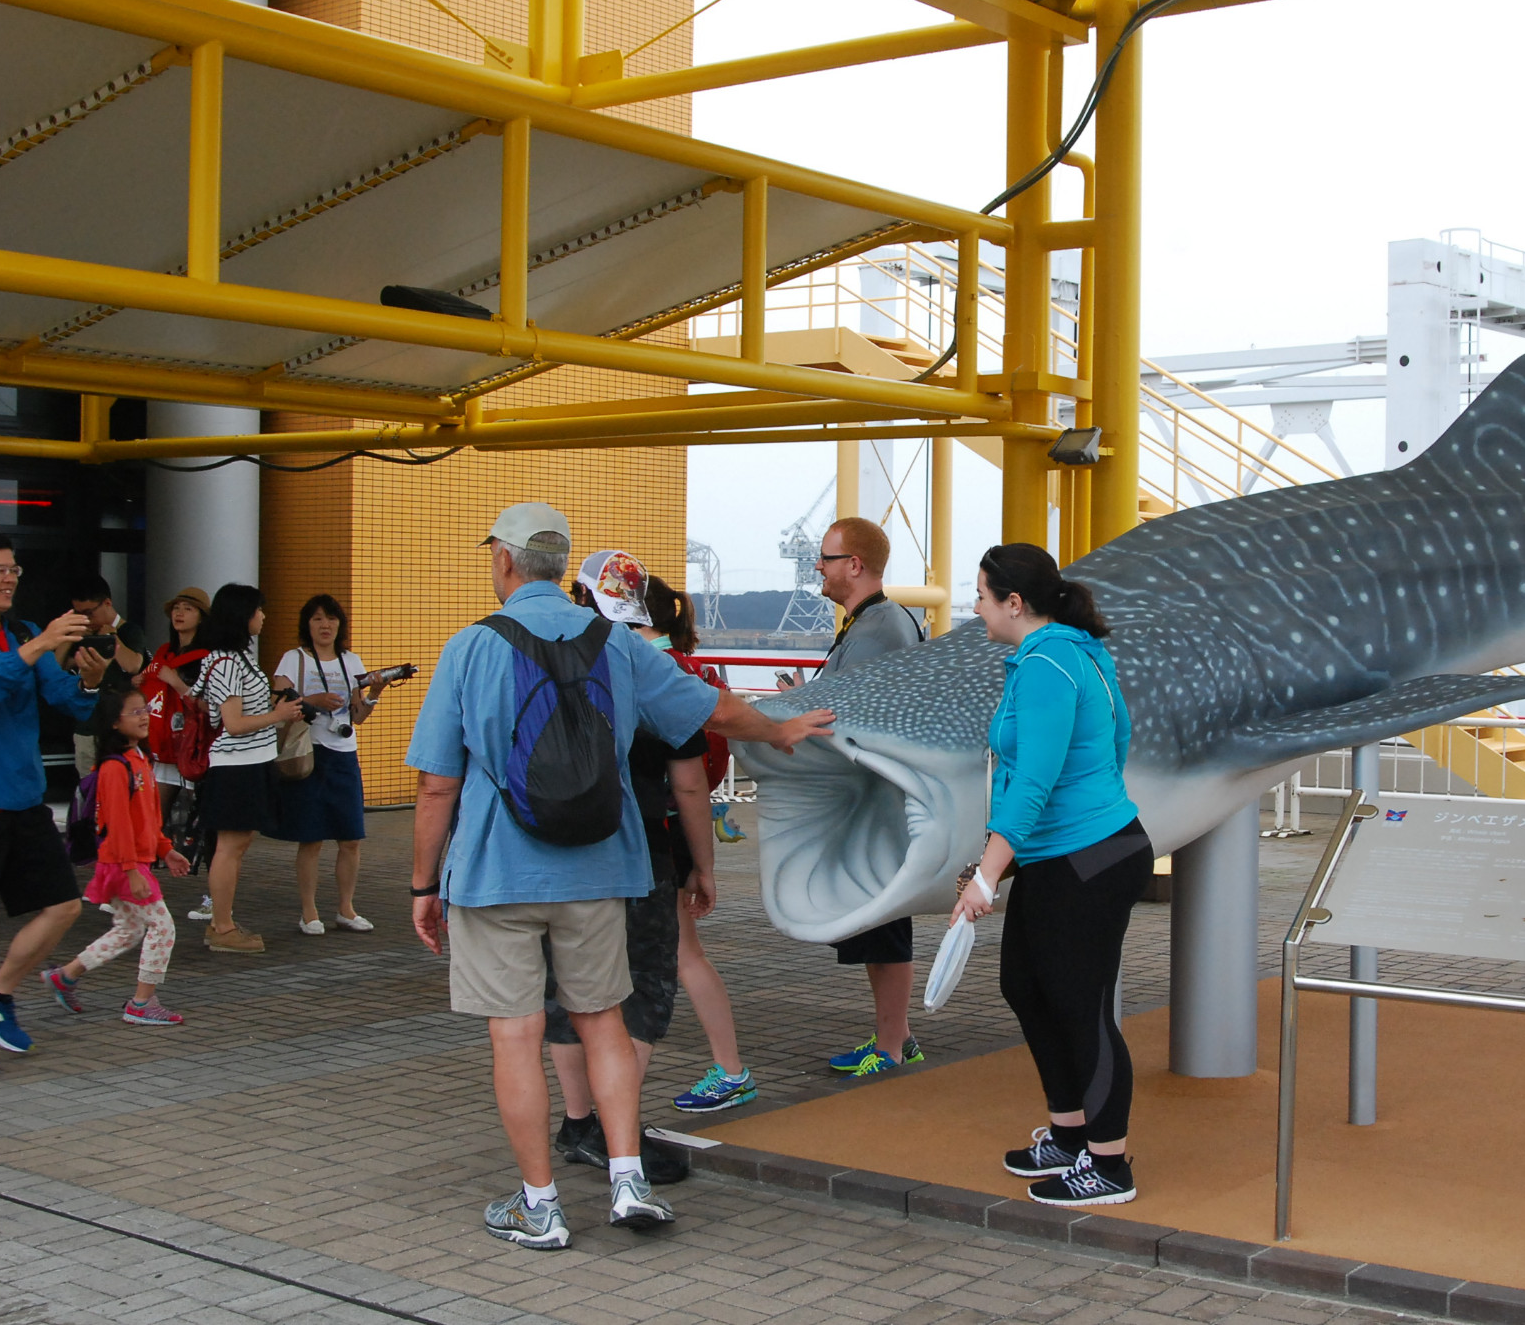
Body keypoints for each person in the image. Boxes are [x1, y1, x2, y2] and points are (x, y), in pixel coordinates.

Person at [406, 503, 834, 1252]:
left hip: (495, 872)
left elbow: (437, 785)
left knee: (517, 1034)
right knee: (605, 1018)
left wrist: (420, 885)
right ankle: (628, 1177)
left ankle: (539, 1205)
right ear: (561, 565)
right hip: (602, 865)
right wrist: (782, 726)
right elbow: (711, 710)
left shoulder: (470, 647)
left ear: (505, 562)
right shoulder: (619, 644)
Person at [951, 542, 1151, 1208]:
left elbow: (1032, 781)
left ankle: (1110, 1164)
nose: (973, 605)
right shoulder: (1063, 653)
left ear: (1014, 602)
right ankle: (1068, 1134)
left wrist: (986, 877)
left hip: (1091, 855)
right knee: (1026, 985)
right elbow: (1113, 743)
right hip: (1063, 854)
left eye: (980, 594)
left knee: (1078, 1003)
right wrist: (997, 865)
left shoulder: (1050, 664)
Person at [542, 552, 697, 1182]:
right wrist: (703, 866)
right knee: (642, 991)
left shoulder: (545, 658)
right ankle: (616, 1133)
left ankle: (579, 1121)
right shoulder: (651, 665)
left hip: (559, 850)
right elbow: (686, 783)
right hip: (638, 852)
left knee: (569, 990)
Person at [0, 528, 107, 1078]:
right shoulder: (23, 639)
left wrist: (91, 683)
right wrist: (35, 648)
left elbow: (66, 701)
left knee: (65, 906)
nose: (10, 579)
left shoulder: (24, 632)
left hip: (25, 800)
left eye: (15, 571)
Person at [805, 517, 928, 1079]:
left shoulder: (878, 627)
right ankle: (896, 1035)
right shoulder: (878, 622)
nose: (819, 569)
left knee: (884, 925)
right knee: (880, 922)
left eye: (826, 559)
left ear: (854, 565)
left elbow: (845, 709)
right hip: (881, 802)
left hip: (880, 806)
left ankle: (892, 1046)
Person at [637, 573, 755, 1115]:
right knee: (683, 956)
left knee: (658, 963)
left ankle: (730, 1071)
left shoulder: (644, 669)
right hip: (678, 827)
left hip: (650, 830)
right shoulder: (689, 667)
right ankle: (730, 1069)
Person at [41, 687, 191, 1026]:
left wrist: (165, 849)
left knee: (129, 929)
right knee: (162, 927)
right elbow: (119, 825)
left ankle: (65, 976)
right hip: (124, 864)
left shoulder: (140, 759)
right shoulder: (115, 767)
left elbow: (149, 817)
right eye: (134, 711)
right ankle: (142, 1003)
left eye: (144, 710)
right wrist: (133, 870)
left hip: (129, 863)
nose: (143, 716)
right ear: (113, 723)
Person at [192, 583, 305, 954]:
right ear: (242, 616)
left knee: (236, 846)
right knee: (229, 846)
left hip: (250, 763)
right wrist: (279, 713)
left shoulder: (235, 659)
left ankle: (223, 921)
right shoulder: (226, 661)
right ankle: (221, 927)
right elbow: (234, 723)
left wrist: (273, 702)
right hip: (235, 766)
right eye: (258, 610)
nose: (263, 617)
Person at [274, 594, 392, 935]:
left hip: (344, 753)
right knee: (310, 838)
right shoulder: (293, 659)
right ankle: (309, 911)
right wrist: (313, 700)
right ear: (306, 624)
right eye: (317, 619)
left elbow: (357, 716)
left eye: (331, 619)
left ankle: (346, 908)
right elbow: (277, 702)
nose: (325, 625)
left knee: (351, 836)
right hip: (308, 752)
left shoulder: (351, 661)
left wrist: (375, 693)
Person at [64, 574, 147, 773]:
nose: (86, 618)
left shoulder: (129, 631)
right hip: (86, 724)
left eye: (90, 613)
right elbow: (58, 667)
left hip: (118, 725)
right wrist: (69, 634)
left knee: (119, 780)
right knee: (89, 786)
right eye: (79, 612)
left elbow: (134, 665)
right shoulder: (81, 631)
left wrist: (111, 637)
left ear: (107, 603)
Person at [139, 586, 209, 821]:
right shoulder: (164, 651)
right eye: (176, 609)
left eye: (188, 609)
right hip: (163, 745)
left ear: (201, 617)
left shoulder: (207, 656)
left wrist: (176, 682)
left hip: (193, 746)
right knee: (154, 817)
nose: (179, 614)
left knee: (194, 822)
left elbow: (209, 704)